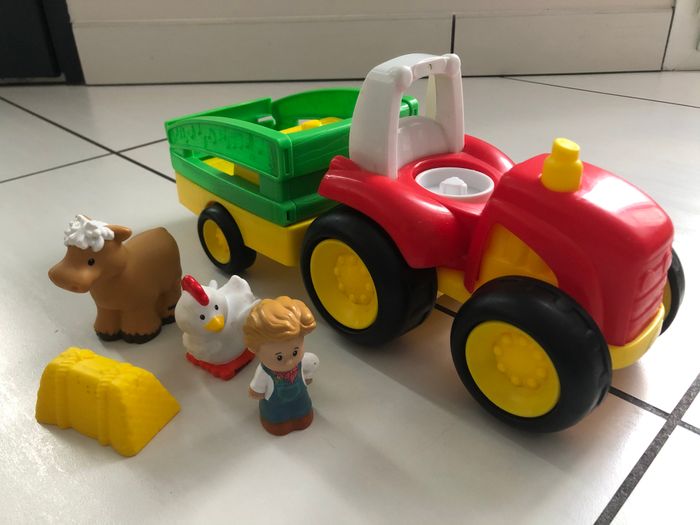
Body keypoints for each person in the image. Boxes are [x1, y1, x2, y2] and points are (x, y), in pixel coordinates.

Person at [244, 296, 319, 436]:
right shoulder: (264, 372)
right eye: (279, 357)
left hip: (300, 398)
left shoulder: (300, 363)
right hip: (275, 405)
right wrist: (257, 391)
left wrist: (307, 377)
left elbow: (307, 369)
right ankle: (276, 422)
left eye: (295, 352)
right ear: (255, 350)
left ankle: (302, 415)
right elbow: (258, 386)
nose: (289, 362)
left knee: (303, 413)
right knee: (277, 421)